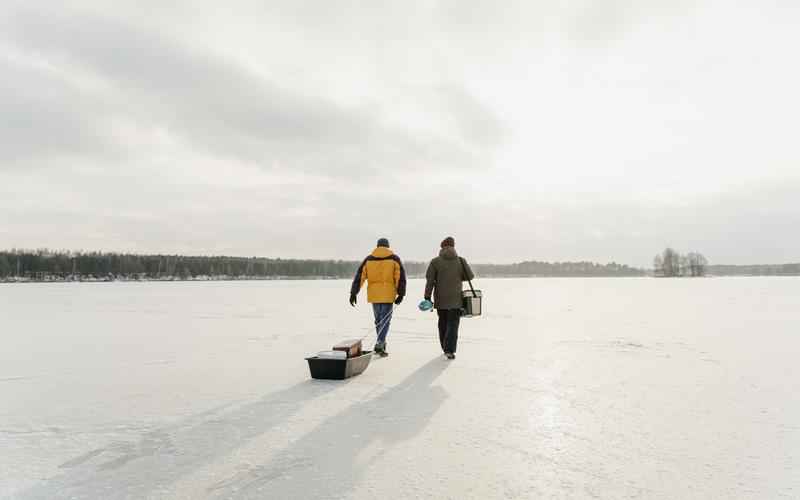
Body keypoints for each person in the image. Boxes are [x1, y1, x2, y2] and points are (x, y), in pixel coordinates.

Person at [350, 238, 406, 356]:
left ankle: (381, 343)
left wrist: (353, 293)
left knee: (378, 320)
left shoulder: (369, 259)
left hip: (374, 295)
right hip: (388, 294)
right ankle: (380, 343)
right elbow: (400, 277)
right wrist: (401, 294)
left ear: (377, 246)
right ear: (388, 246)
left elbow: (360, 276)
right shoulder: (394, 259)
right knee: (385, 320)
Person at [424, 236, 474, 359]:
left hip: (441, 300)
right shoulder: (461, 260)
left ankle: (444, 347)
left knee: (443, 323)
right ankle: (449, 350)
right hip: (456, 300)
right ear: (453, 246)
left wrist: (427, 297)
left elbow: (430, 281)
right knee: (453, 325)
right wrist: (457, 277)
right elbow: (470, 276)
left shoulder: (435, 262)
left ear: (442, 247)